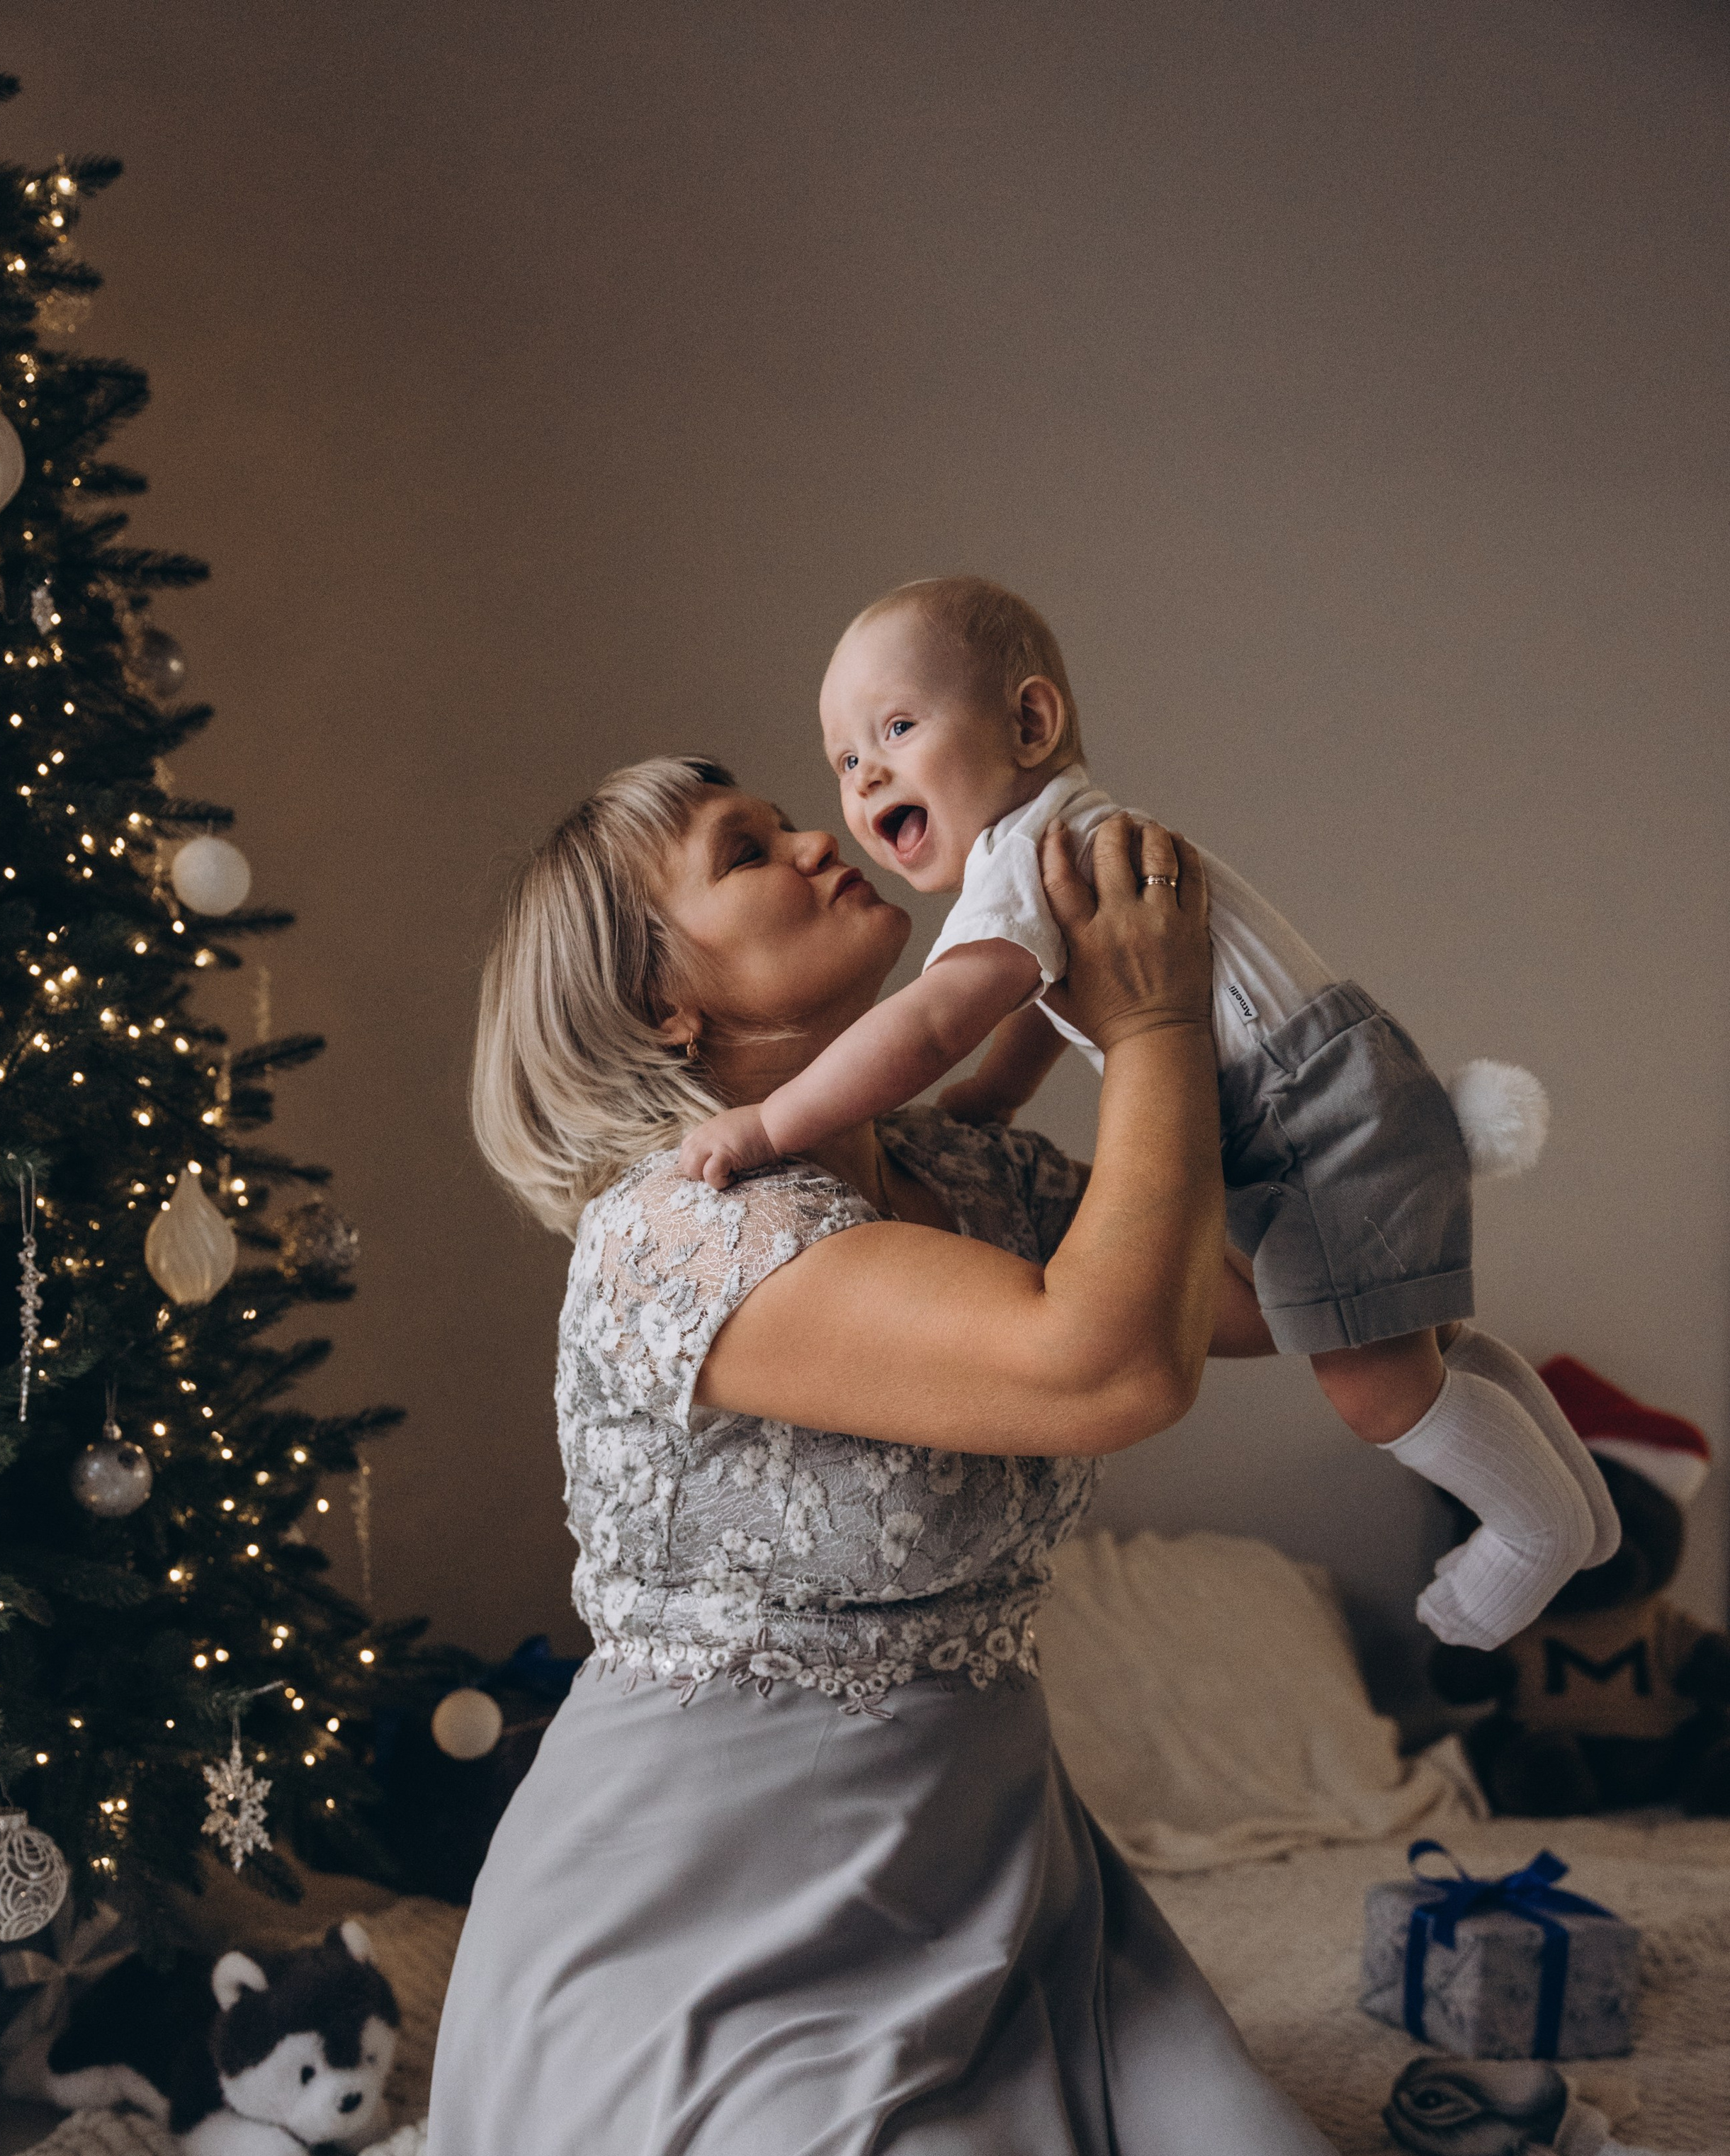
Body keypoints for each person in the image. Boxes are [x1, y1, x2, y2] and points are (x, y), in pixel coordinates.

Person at [414, 754, 1607, 2156]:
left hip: (989, 1879)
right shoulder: (680, 1236)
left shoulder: (954, 1168)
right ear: (665, 1001)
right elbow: (1108, 1366)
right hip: (701, 1938)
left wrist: (1259, 1037)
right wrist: (1134, 1026)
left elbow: (1240, 1304)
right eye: (746, 849)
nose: (817, 831)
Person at [677, 579, 1618, 1653]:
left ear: (1029, 722)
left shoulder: (1018, 860)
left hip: (1309, 1117)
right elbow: (1047, 1001)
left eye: (896, 728)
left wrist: (766, 1127)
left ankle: (1533, 1534)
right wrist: (999, 1094)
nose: (863, 779)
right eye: (846, 759)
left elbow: (934, 1025)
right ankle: (1577, 1510)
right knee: (1419, 1340)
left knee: (1368, 1383)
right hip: (1341, 1091)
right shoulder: (1064, 846)